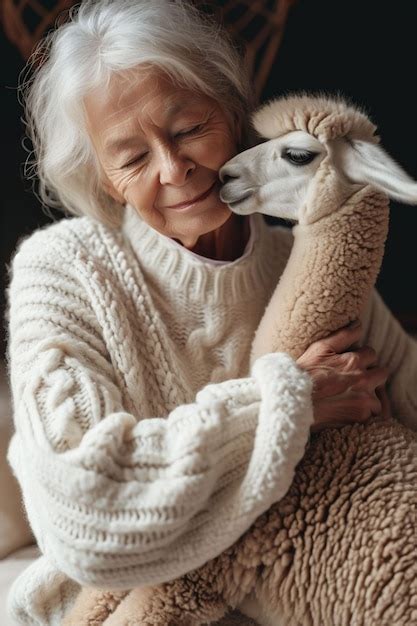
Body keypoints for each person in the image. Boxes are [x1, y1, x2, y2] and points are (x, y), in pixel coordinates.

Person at [6, 1, 416, 624]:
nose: (174, 170)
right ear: (103, 178)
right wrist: (291, 403)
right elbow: (85, 511)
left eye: (187, 129)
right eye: (133, 158)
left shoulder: (306, 264)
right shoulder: (62, 271)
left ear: (228, 112)